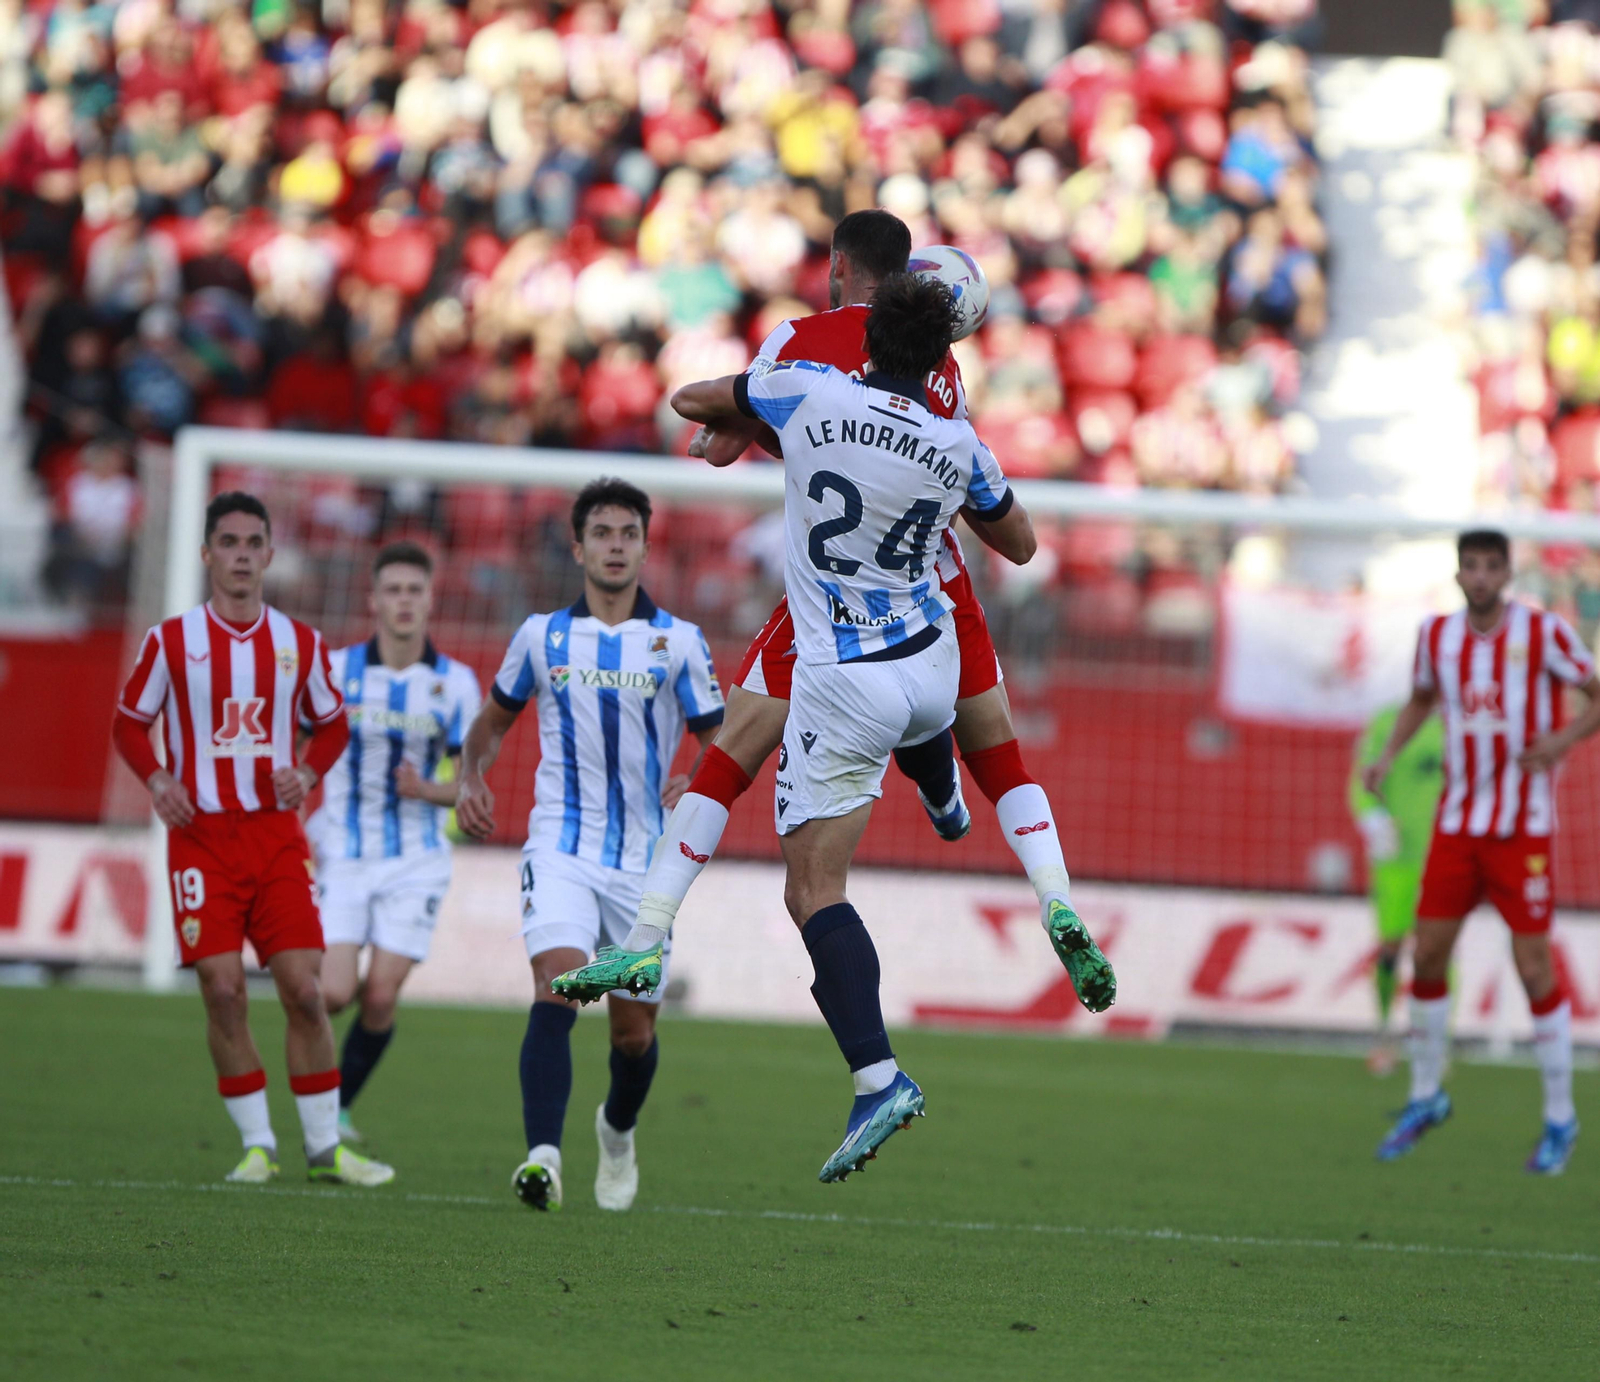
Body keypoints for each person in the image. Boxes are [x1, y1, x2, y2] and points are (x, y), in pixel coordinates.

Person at [564, 275, 1115, 1182]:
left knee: (811, 887)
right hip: (933, 665)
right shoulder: (957, 440)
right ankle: (952, 795)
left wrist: (744, 417)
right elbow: (1019, 546)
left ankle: (877, 1076)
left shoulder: (809, 392)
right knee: (991, 752)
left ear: (865, 346)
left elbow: (692, 401)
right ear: (942, 358)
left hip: (845, 680)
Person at [455, 479, 724, 1212]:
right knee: (558, 986)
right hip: (561, 846)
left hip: (645, 864)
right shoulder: (540, 636)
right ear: (577, 547)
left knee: (633, 1037)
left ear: (643, 545)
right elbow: (492, 722)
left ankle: (615, 1129)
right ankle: (542, 1156)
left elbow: (721, 742)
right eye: (600, 532)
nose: (614, 545)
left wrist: (693, 779)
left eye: (627, 533)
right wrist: (469, 776)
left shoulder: (679, 642)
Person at [111, 491, 394, 1187]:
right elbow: (126, 724)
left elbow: (331, 725)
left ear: (269, 554)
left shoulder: (299, 644)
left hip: (274, 838)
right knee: (223, 988)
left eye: (252, 543)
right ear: (208, 554)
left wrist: (307, 769)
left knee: (303, 990)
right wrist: (156, 779)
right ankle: (258, 1145)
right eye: (228, 543)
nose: (241, 556)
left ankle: (326, 1149)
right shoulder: (170, 642)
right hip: (201, 836)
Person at [1365, 530, 1600, 1174]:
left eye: (1492, 567)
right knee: (1430, 952)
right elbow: (1420, 699)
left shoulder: (1544, 633)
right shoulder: (1436, 637)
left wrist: (1560, 743)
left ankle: (1560, 1119)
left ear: (1508, 573)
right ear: (1459, 572)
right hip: (1458, 825)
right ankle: (1424, 1096)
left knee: (1533, 969)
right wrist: (1387, 756)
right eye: (1471, 566)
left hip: (1523, 829)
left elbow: (1596, 695)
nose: (1481, 577)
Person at [308, 542, 482, 1142]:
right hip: (344, 853)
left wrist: (424, 791)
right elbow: (294, 748)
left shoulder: (455, 683)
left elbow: (469, 788)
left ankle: (336, 1111)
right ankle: (320, 1095)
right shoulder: (333, 672)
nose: (404, 602)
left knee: (379, 995)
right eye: (393, 591)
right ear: (373, 600)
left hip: (415, 861)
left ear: (430, 600)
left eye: (414, 591)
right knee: (331, 993)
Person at [1348, 702, 1444, 1076]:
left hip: (1443, 856)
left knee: (1438, 948)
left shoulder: (1462, 723)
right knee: (1391, 946)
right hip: (1396, 858)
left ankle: (1436, 1043)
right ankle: (1384, 1030)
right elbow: (1361, 780)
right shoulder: (1385, 722)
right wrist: (1373, 818)